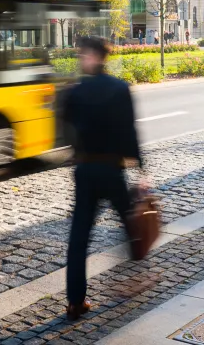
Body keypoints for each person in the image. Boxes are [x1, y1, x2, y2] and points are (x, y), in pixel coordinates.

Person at [62, 36, 143, 320]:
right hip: (110, 170)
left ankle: (75, 300)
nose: (81, 59)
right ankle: (136, 273)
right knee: (131, 223)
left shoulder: (75, 91)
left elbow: (64, 127)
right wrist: (140, 167)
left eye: (84, 55)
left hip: (87, 170)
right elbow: (130, 131)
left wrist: (75, 149)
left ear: (97, 57)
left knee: (79, 238)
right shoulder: (120, 89)